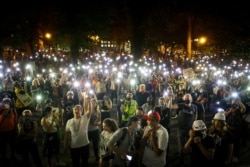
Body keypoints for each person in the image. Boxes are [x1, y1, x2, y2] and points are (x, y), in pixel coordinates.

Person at [64, 102, 92, 167]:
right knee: (75, 163)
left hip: (84, 145)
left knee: (85, 162)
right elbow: (67, 135)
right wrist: (65, 146)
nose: (76, 110)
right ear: (73, 111)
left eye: (78, 109)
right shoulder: (69, 121)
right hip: (74, 146)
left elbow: (89, 111)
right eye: (75, 109)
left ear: (81, 112)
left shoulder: (85, 118)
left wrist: (89, 100)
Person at [0, 97, 18, 165]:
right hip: (2, 132)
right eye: (5, 103)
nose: (6, 104)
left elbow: (15, 120)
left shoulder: (13, 111)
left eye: (8, 103)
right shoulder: (0, 110)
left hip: (11, 132)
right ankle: (3, 157)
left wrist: (16, 129)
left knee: (12, 145)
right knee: (3, 146)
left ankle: (13, 156)